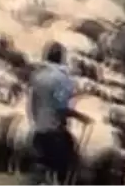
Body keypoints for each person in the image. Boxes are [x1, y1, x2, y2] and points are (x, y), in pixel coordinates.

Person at [23, 41, 90, 186]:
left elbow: (31, 104)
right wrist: (82, 118)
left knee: (39, 169)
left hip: (38, 131)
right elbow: (61, 108)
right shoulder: (62, 79)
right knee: (69, 163)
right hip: (55, 134)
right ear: (61, 57)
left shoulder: (37, 76)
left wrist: (35, 122)